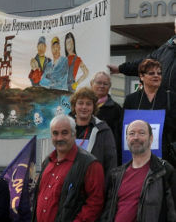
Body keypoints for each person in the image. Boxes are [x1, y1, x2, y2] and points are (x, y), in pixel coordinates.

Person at [108, 19, 176, 165]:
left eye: (159, 73)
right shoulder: (166, 49)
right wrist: (120, 69)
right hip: (137, 157)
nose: (156, 75)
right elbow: (144, 64)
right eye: (152, 74)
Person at [70, 87, 117, 176]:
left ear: (93, 107)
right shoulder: (66, 128)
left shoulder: (103, 130)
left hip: (93, 182)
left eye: (88, 104)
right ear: (74, 106)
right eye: (80, 103)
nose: (84, 107)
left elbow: (111, 162)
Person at [90, 71, 123, 164]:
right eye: (99, 83)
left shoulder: (116, 109)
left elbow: (119, 137)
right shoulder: (82, 106)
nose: (102, 86)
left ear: (109, 87)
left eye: (105, 84)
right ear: (91, 84)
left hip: (106, 156)